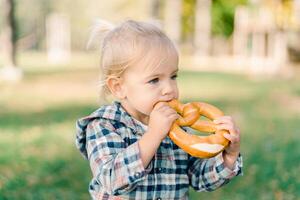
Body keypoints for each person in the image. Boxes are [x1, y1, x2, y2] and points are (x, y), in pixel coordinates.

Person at [76, 20, 242, 200]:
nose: (169, 89)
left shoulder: (176, 126)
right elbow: (112, 180)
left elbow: (198, 177)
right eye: (154, 80)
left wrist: (228, 157)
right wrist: (153, 135)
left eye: (173, 76)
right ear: (118, 87)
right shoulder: (104, 126)